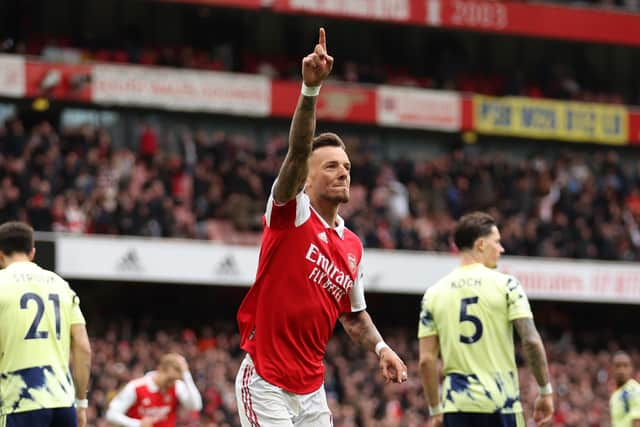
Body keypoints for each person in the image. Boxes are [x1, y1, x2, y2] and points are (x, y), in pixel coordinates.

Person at [235, 27, 407, 426]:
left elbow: (353, 315)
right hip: (265, 381)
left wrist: (382, 348)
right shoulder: (291, 213)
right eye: (330, 166)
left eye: (346, 167)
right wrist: (310, 91)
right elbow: (297, 152)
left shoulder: (352, 246)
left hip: (312, 390)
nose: (342, 173)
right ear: (306, 180)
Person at [418, 212, 554, 427]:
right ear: (481, 244)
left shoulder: (433, 294)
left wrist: (436, 411)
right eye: (497, 242)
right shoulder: (507, 285)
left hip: (457, 405)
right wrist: (545, 391)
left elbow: (427, 360)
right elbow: (530, 340)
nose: (501, 249)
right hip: (501, 403)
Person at [0, 221, 92, 427]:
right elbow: (83, 347)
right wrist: (81, 403)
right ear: (32, 252)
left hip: (19, 401)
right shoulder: (61, 285)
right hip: (62, 403)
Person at [105, 353, 202, 427]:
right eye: (170, 379)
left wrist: (186, 374)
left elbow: (195, 406)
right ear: (160, 369)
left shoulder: (176, 386)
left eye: (174, 380)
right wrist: (137, 424)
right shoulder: (136, 387)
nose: (171, 384)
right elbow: (111, 414)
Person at [610, 351, 640, 427]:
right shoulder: (615, 395)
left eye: (625, 366)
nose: (621, 370)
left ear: (631, 368)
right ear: (612, 368)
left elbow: (637, 421)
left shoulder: (634, 390)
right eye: (617, 366)